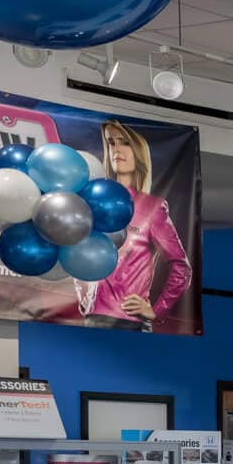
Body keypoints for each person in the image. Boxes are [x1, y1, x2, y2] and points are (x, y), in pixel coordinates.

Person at [62, 120, 191, 330]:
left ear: (138, 151)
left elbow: (181, 266)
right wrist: (84, 294)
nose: (116, 150)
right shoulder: (93, 200)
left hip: (128, 322)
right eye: (111, 143)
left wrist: (157, 310)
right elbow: (78, 250)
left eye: (124, 143)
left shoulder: (152, 207)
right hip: (92, 318)